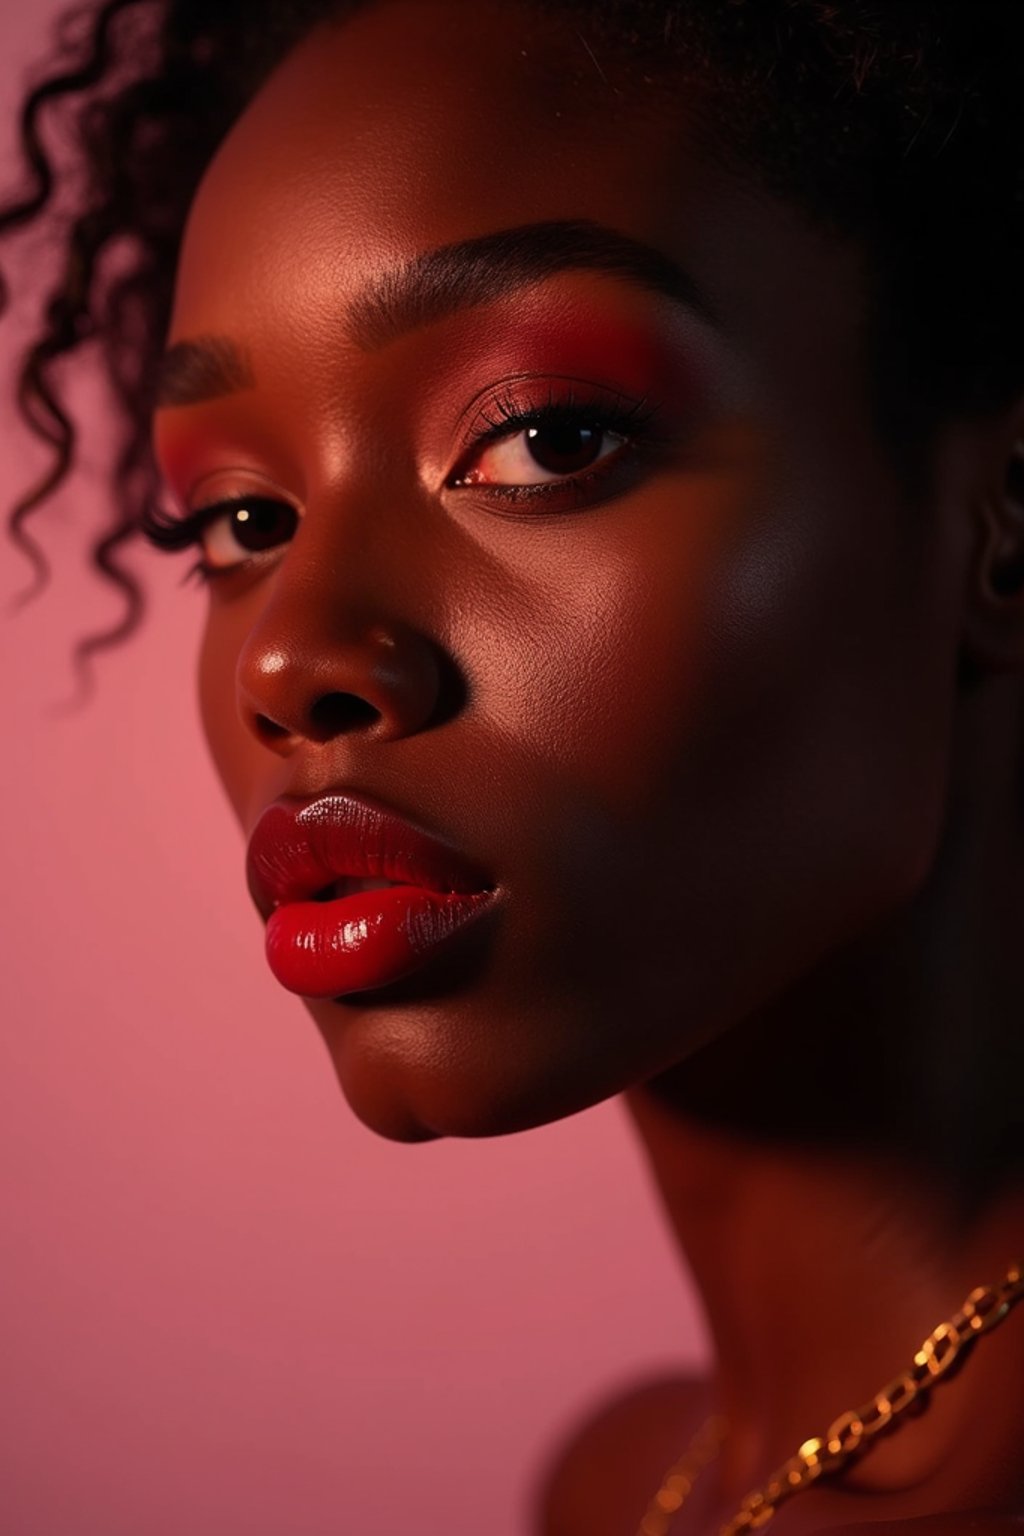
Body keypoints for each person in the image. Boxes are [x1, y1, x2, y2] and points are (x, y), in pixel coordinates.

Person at [3, 1, 1023, 1532]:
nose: (294, 657)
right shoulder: (622, 1489)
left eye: (544, 439)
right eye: (240, 520)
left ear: (1002, 517)